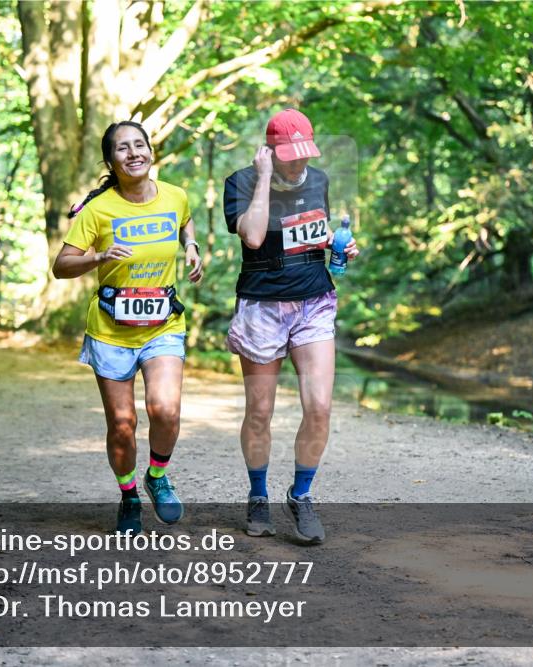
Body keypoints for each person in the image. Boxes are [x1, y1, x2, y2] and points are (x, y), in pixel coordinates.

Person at [53, 121, 203, 534]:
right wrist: (98, 257)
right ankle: (129, 494)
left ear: (150, 152)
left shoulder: (174, 195)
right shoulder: (97, 210)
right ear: (110, 161)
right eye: (123, 148)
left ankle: (157, 476)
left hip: (162, 324)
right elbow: (61, 266)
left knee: (165, 410)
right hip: (111, 330)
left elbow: (184, 219)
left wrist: (190, 245)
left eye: (140, 145)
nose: (133, 153)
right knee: (122, 425)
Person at [223, 109, 359, 544]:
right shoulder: (240, 182)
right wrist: (264, 178)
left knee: (319, 407)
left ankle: (300, 496)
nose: (299, 162)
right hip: (262, 305)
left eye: (304, 153)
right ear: (269, 152)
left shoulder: (318, 180)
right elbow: (253, 236)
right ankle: (258, 496)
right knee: (260, 412)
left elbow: (316, 233)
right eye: (288, 156)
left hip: (313, 302)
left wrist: (339, 245)